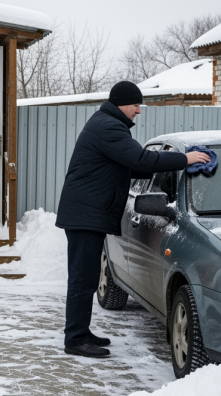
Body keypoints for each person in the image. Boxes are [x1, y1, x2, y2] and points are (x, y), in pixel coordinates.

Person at [55, 81, 211, 358]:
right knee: (82, 280)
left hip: (86, 212)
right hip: (85, 214)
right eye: (136, 104)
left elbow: (126, 167)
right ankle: (75, 339)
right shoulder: (109, 127)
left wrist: (168, 168)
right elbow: (139, 160)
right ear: (122, 103)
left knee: (86, 278)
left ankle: (80, 331)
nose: (139, 111)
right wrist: (183, 159)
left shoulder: (105, 124)